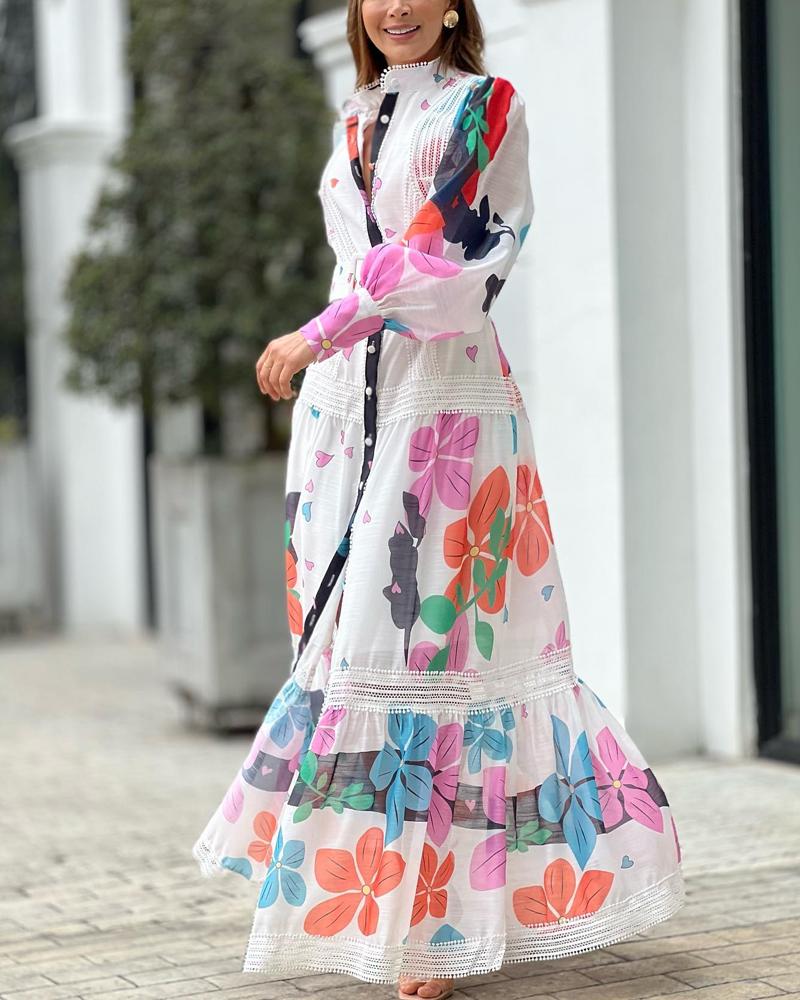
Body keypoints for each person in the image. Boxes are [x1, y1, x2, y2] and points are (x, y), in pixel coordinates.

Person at [192, 2, 686, 997]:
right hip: (345, 412)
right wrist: (332, 351)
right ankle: (376, 898)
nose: (397, 7)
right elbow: (359, 250)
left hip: (443, 406)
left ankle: (432, 927)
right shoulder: (356, 112)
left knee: (432, 648)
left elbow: (452, 257)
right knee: (349, 642)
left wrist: (319, 331)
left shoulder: (484, 107)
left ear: (453, 4)